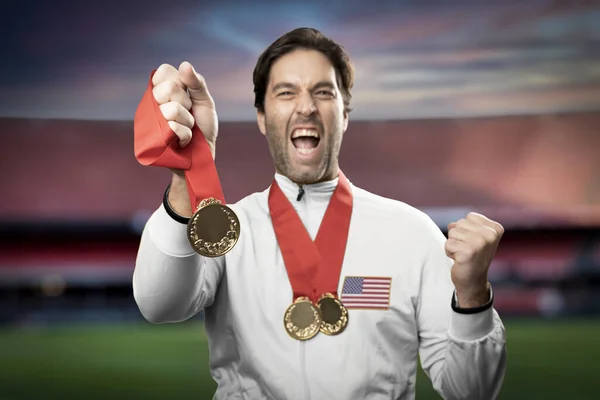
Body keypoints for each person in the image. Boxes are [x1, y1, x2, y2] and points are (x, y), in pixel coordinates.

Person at [132, 27, 507, 399]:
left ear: (344, 113)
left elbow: (471, 392)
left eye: (323, 92)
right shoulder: (229, 231)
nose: (306, 107)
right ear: (262, 117)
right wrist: (187, 172)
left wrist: (473, 294)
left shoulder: (412, 232)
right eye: (286, 92)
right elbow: (159, 304)